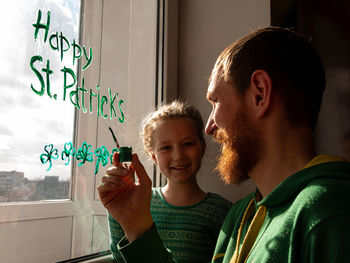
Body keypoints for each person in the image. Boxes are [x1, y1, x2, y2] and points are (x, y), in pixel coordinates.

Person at [98, 26, 350, 263]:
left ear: (259, 94)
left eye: (215, 101)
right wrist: (135, 224)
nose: (209, 127)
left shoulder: (331, 213)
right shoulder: (239, 216)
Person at [100, 100, 232, 262]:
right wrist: (121, 214)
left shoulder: (223, 212)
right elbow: (121, 260)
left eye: (188, 144)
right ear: (153, 155)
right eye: (166, 147)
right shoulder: (138, 202)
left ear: (202, 147)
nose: (178, 156)